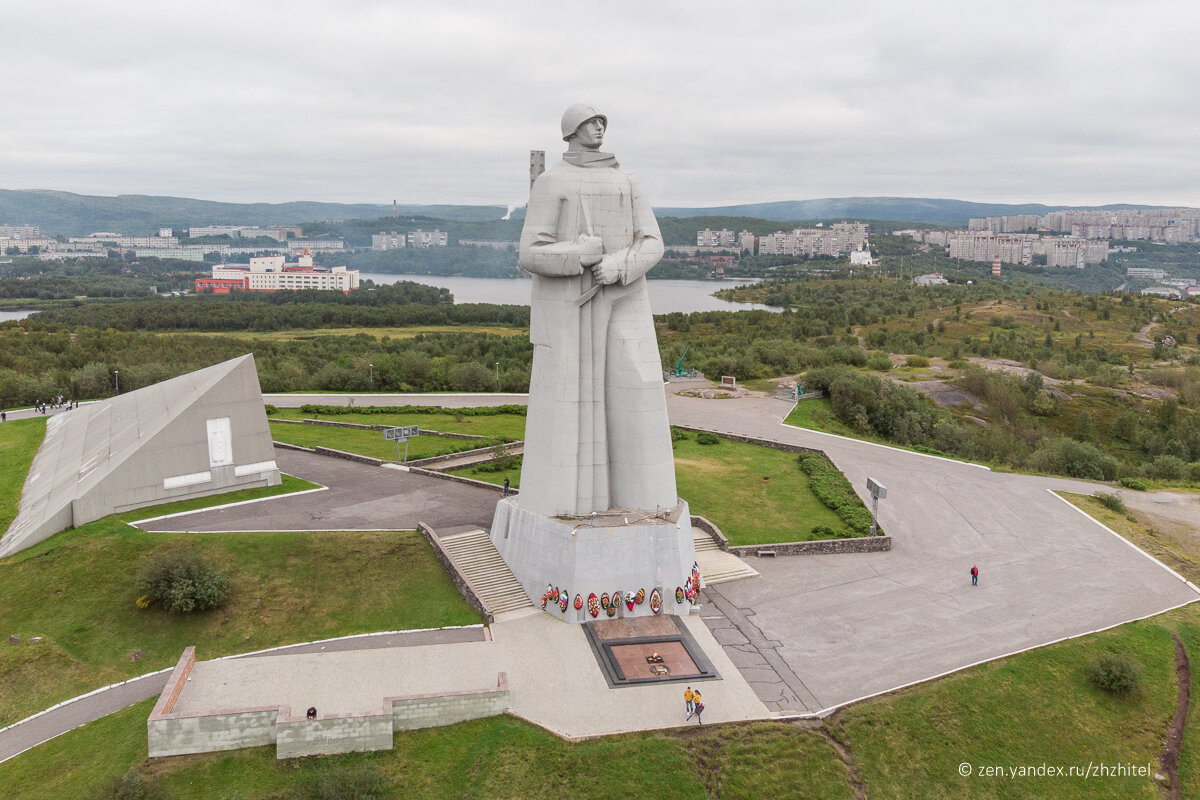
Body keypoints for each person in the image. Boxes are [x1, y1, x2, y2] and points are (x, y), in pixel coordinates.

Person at [515, 103, 676, 517]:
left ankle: (647, 504)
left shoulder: (628, 181)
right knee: (570, 408)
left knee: (639, 391)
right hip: (570, 309)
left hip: (625, 296)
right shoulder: (553, 183)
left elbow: (652, 241)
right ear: (572, 130)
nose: (599, 127)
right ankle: (569, 508)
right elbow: (530, 253)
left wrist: (618, 265)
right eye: (591, 121)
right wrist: (580, 254)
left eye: (602, 121)